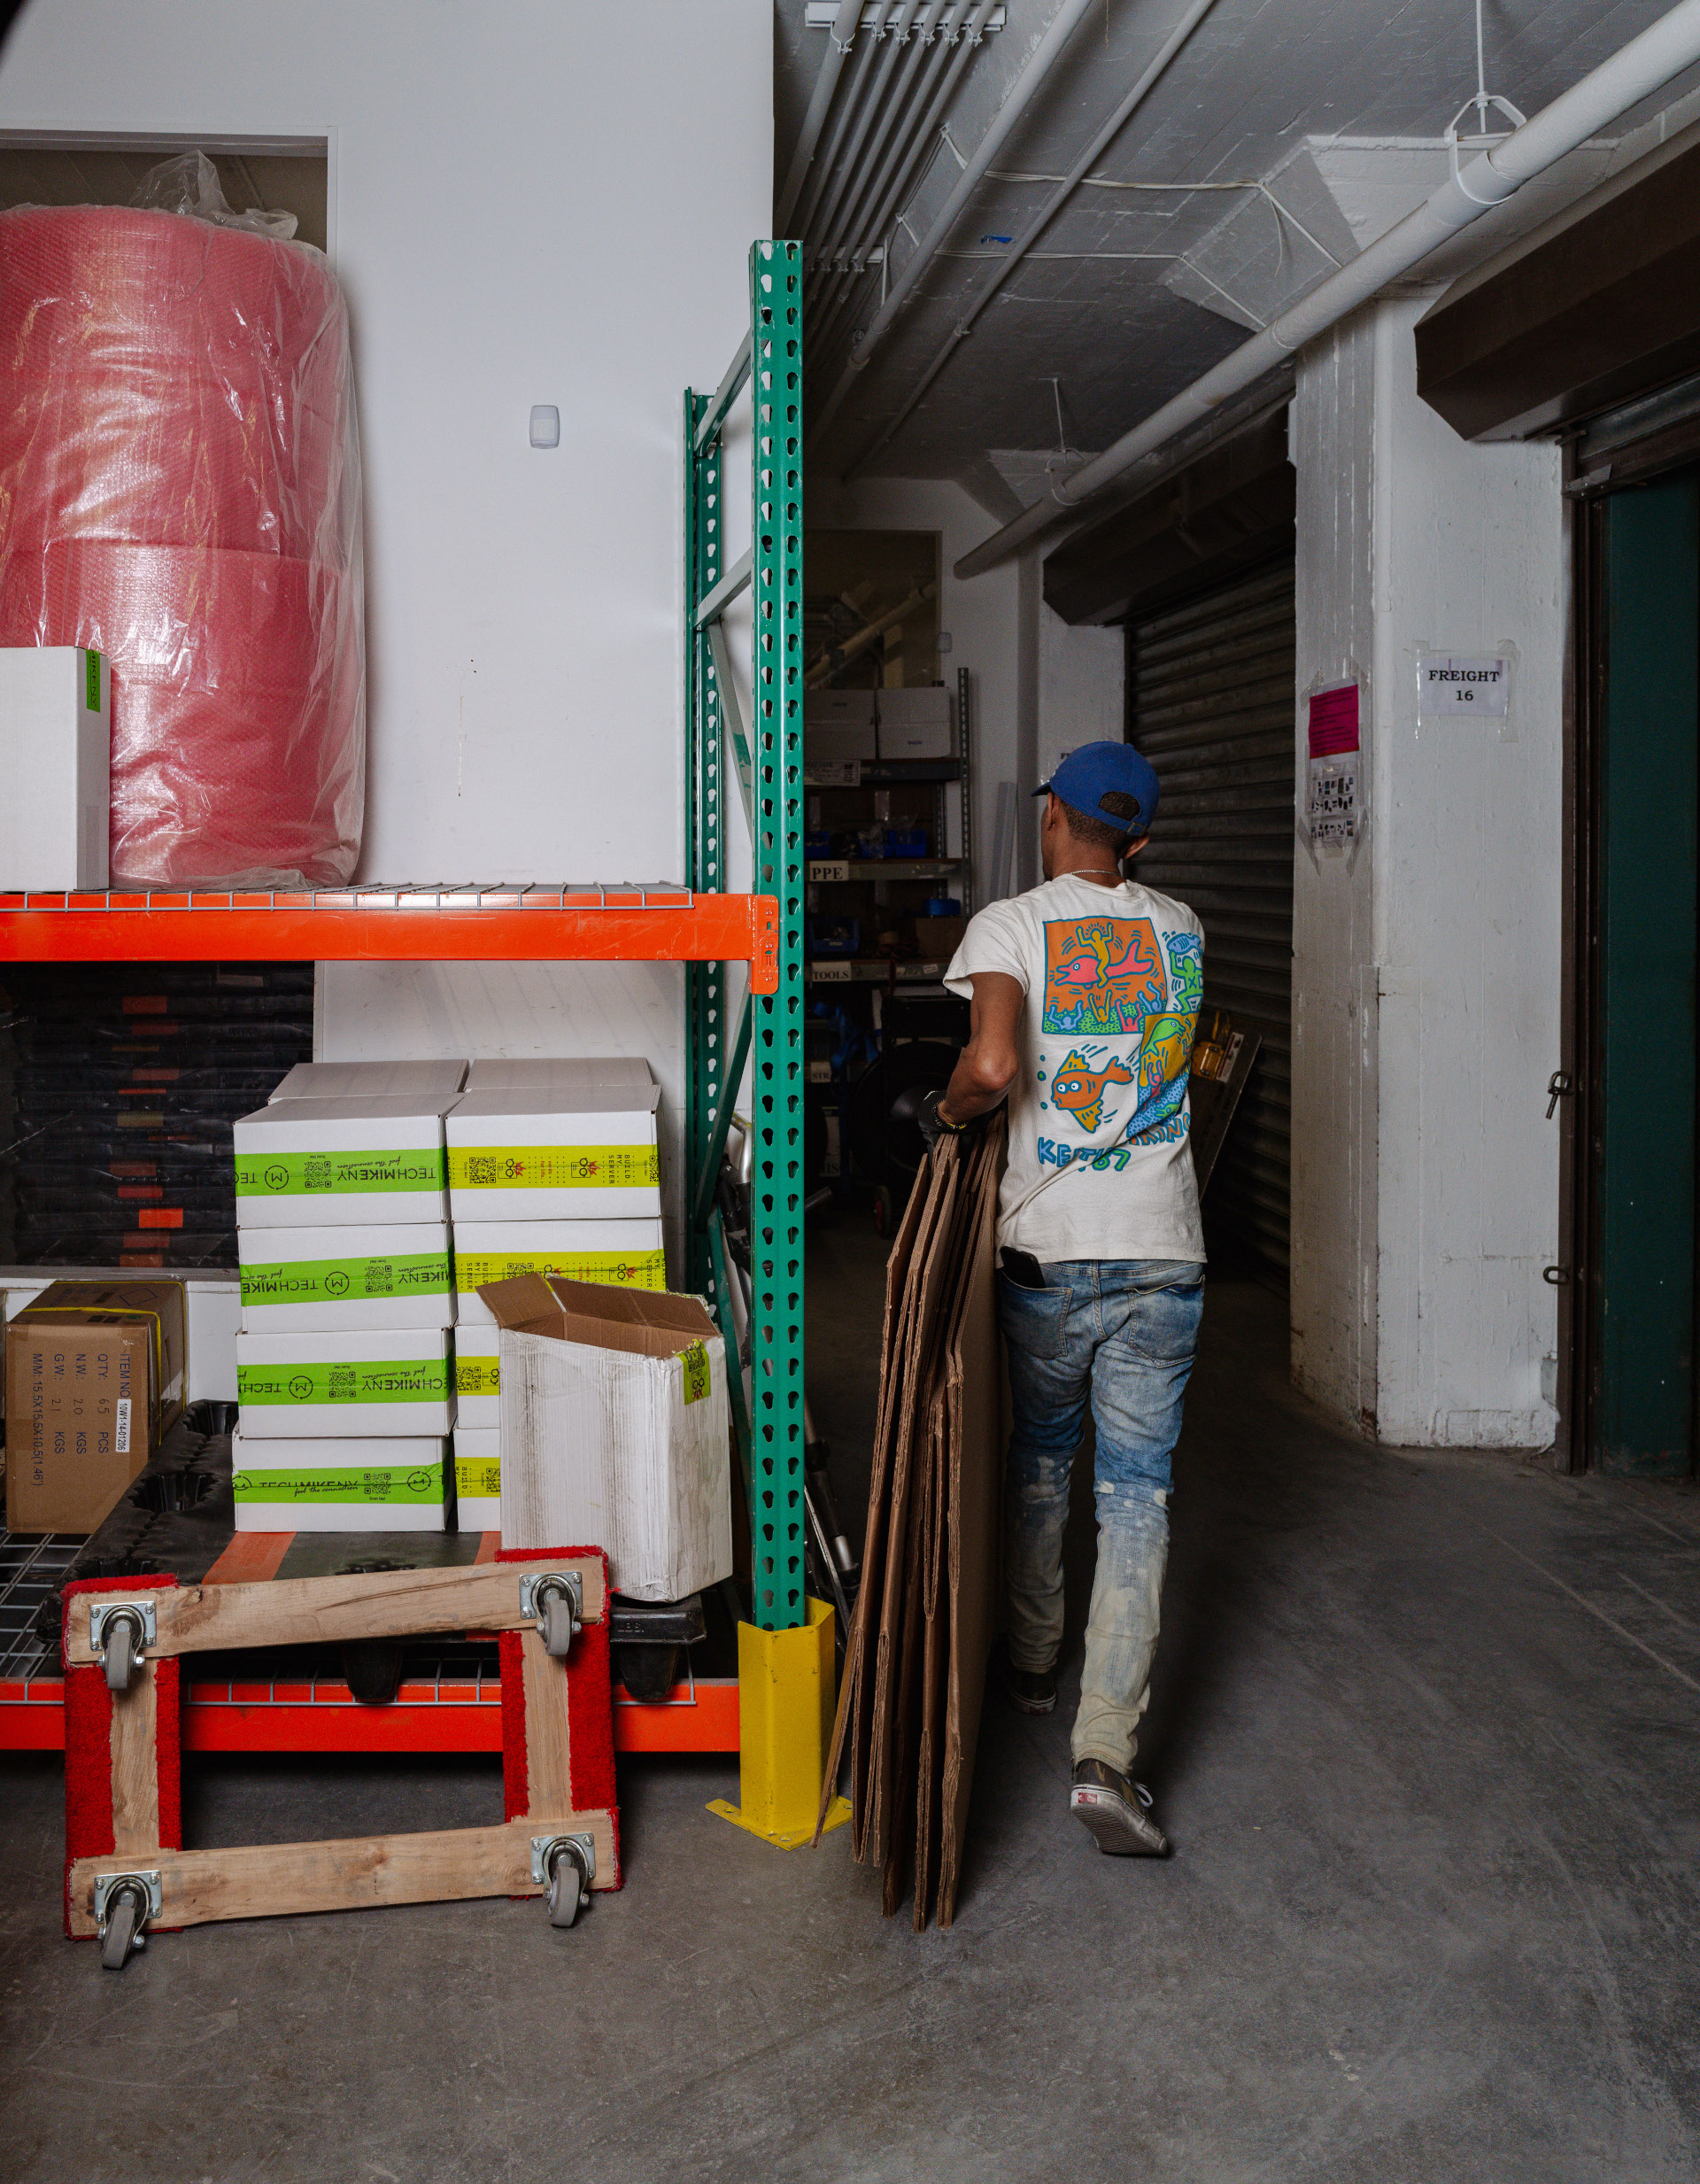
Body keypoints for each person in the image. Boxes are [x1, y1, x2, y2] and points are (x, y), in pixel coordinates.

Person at [920, 740, 1204, 1857]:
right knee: (1137, 1495)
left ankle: (1034, 1665)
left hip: (1052, 1248)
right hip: (1165, 1248)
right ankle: (1106, 1760)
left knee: (1043, 1456)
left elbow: (992, 1068)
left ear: (1052, 817)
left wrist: (945, 1116)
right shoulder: (1181, 928)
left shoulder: (1011, 925)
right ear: (1140, 839)